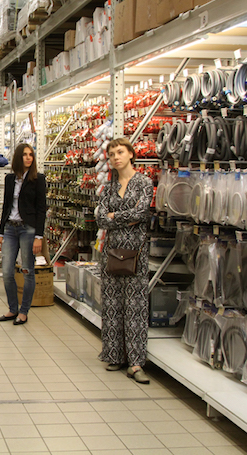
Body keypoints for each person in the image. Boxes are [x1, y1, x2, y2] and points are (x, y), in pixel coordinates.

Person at [95, 138, 153, 384]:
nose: (115, 157)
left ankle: (136, 363)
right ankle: (115, 355)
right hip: (111, 252)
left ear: (131, 154)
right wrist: (125, 218)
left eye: (120, 152)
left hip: (136, 254)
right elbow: (100, 218)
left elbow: (142, 213)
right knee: (112, 305)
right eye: (111, 154)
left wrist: (114, 216)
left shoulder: (144, 183)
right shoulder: (108, 187)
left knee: (135, 307)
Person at [0, 144, 47, 326]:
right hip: (10, 228)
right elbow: (6, 206)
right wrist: (0, 232)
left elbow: (41, 209)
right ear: (18, 157)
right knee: (7, 271)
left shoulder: (38, 179)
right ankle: (12, 309)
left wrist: (39, 236)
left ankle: (24, 311)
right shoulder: (10, 179)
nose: (28, 158)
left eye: (31, 155)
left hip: (28, 229)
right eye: (25, 154)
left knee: (27, 270)